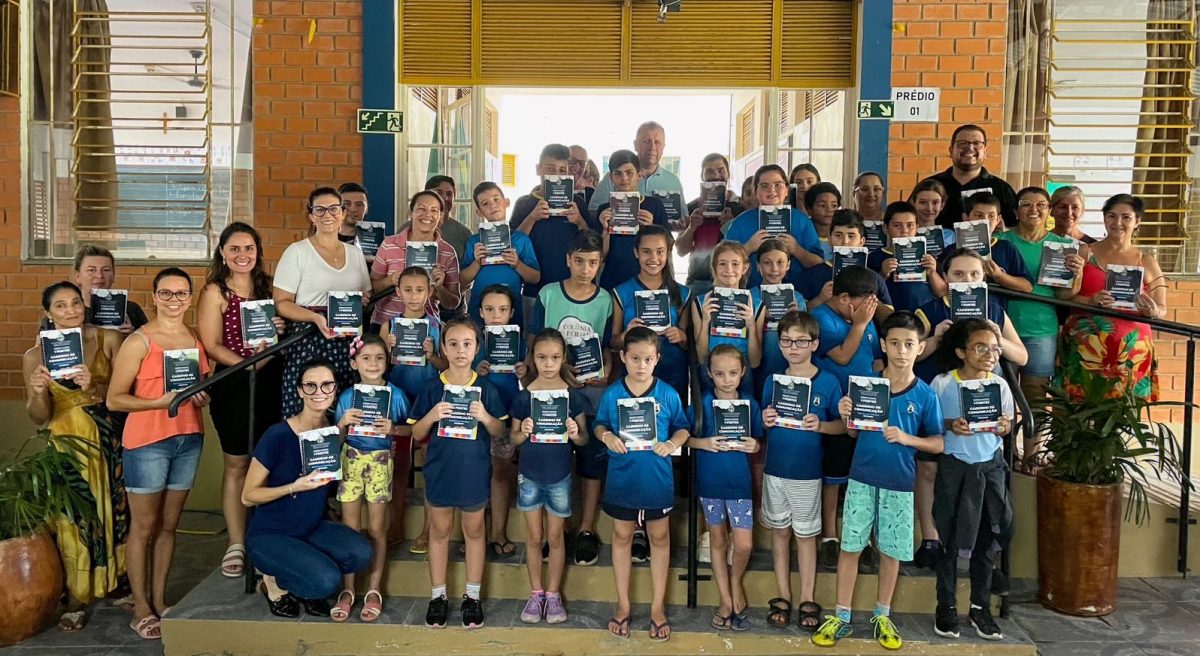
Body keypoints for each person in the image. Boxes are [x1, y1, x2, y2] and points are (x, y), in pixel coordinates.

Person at [813, 312, 944, 651]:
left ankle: (882, 615)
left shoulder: (925, 395)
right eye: (895, 343)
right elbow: (854, 434)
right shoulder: (866, 385)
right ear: (884, 345)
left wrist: (907, 438)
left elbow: (939, 443)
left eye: (909, 344)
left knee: (890, 551)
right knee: (850, 547)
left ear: (920, 348)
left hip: (899, 484)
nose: (902, 351)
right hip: (861, 479)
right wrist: (847, 416)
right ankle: (841, 616)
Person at [106, 268, 211, 640]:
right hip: (147, 442)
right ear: (154, 297)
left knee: (169, 525)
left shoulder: (194, 337)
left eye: (181, 293)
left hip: (188, 438)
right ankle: (140, 606)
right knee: (143, 527)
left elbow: (199, 386)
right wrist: (158, 403)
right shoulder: (139, 341)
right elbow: (114, 399)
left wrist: (202, 395)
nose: (174, 300)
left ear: (190, 298)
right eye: (166, 293)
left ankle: (160, 599)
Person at [24, 281, 127, 632]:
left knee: (115, 512)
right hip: (66, 445)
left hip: (107, 440)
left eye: (75, 303)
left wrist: (93, 386)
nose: (70, 310)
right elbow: (39, 416)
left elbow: (126, 393)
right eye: (60, 305)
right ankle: (77, 595)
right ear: (48, 313)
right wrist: (38, 391)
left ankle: (117, 582)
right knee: (73, 518)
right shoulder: (35, 355)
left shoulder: (108, 338)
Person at [241, 358, 372, 619]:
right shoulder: (278, 435)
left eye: (326, 385)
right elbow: (248, 496)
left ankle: (302, 574)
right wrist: (294, 486)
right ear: (300, 391)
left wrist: (343, 429)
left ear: (334, 389)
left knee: (360, 553)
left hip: (309, 527)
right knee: (325, 582)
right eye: (310, 386)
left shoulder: (329, 432)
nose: (319, 392)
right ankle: (273, 583)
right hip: (270, 533)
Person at [196, 222, 284, 580]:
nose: (242, 255)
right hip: (233, 383)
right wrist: (247, 365)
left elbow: (283, 325)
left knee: (269, 461)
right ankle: (236, 541)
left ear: (258, 251)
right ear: (222, 253)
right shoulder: (215, 291)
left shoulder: (269, 287)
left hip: (272, 382)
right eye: (234, 249)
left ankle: (266, 537)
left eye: (249, 248)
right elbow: (212, 344)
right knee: (237, 463)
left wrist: (279, 329)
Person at [408, 317, 510, 629]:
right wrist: (432, 415)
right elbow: (416, 433)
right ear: (443, 348)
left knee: (475, 531)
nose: (460, 350)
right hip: (440, 470)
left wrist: (486, 417)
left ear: (477, 348)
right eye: (453, 344)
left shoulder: (486, 389)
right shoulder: (431, 388)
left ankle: (473, 596)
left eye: (467, 344)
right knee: (439, 531)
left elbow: (500, 431)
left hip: (474, 471)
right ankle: (438, 595)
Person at [594, 326, 692, 642]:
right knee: (622, 537)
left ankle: (657, 607)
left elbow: (683, 427)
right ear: (623, 357)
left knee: (660, 538)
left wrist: (672, 443)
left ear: (657, 359)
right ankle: (623, 605)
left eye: (647, 359)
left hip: (657, 481)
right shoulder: (612, 394)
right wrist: (606, 437)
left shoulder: (668, 394)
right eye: (635, 358)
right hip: (622, 479)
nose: (641, 365)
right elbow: (599, 425)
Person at [528, 231, 614, 567]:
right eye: (579, 261)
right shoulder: (549, 294)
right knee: (555, 460)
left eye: (592, 263)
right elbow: (534, 342)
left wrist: (605, 371)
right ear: (568, 260)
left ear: (600, 264)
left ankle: (587, 528)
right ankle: (557, 530)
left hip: (591, 393)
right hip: (552, 393)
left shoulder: (605, 300)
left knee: (591, 459)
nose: (585, 269)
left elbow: (608, 347)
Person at [930, 319, 1015, 642]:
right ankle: (946, 606)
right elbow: (931, 422)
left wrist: (1003, 426)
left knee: (986, 541)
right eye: (981, 348)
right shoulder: (943, 384)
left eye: (995, 349)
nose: (990, 355)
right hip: (955, 467)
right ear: (961, 352)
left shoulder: (1000, 385)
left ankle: (981, 608)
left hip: (988, 469)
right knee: (949, 540)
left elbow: (1007, 425)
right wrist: (951, 424)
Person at [759, 311, 844, 632]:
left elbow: (844, 427)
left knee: (806, 537)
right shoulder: (772, 382)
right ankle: (783, 594)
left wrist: (821, 425)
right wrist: (765, 419)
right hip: (775, 470)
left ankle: (808, 596)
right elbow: (763, 425)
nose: (793, 347)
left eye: (800, 341)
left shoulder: (828, 382)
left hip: (807, 473)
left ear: (814, 344)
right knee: (780, 533)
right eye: (786, 341)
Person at [509, 329, 589, 624]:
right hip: (529, 474)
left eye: (554, 357)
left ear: (563, 358)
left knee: (555, 536)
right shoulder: (524, 397)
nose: (548, 364)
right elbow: (513, 439)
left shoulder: (572, 396)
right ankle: (536, 593)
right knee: (533, 537)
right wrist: (523, 432)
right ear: (533, 358)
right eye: (542, 357)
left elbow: (584, 440)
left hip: (560, 475)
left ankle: (553, 595)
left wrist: (575, 433)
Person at [330, 335, 410, 623]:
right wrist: (341, 425)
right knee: (350, 528)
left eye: (379, 358)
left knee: (377, 528)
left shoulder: (396, 395)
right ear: (354, 363)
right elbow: (336, 440)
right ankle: (348, 589)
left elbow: (412, 430)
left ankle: (374, 589)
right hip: (350, 459)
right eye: (366, 358)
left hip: (380, 462)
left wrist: (394, 429)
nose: (373, 364)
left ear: (388, 361)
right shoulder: (346, 397)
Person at [273, 187, 372, 417]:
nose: (327, 215)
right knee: (309, 406)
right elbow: (282, 303)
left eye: (333, 209)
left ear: (343, 213)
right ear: (311, 215)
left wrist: (363, 299)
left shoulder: (355, 253)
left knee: (344, 406)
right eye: (320, 209)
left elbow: (367, 296)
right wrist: (315, 318)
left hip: (346, 340)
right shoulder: (297, 252)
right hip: (308, 338)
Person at [1059, 194, 1167, 402]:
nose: (1118, 222)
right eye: (1112, 216)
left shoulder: (1147, 261)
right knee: (1077, 409)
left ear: (1137, 222)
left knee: (1123, 412)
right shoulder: (1084, 252)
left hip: (1132, 352)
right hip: (1085, 348)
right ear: (1104, 219)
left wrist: (1153, 311)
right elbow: (1062, 296)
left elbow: (1162, 307)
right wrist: (1090, 301)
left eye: (1126, 217)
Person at [810, 266, 883, 572]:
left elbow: (875, 359)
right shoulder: (822, 318)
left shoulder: (864, 317)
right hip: (835, 406)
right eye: (863, 303)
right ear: (843, 299)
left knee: (862, 475)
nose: (868, 309)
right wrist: (861, 323)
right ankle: (830, 536)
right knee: (833, 475)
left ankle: (862, 537)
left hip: (867, 408)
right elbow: (841, 356)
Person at [690, 345, 761, 632]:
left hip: (739, 484)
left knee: (744, 544)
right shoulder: (702, 404)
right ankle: (725, 598)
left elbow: (758, 439)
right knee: (717, 540)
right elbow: (682, 437)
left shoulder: (749, 404)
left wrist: (755, 445)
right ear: (709, 374)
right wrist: (702, 443)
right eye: (719, 374)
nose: (726, 379)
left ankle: (735, 584)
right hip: (710, 483)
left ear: (742, 372)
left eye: (732, 373)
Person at [997, 187, 1085, 411]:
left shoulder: (1062, 246)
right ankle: (1007, 437)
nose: (1033, 209)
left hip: (1041, 329)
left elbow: (1063, 295)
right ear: (1015, 211)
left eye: (1041, 205)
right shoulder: (999, 241)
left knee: (1035, 398)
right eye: (1026, 204)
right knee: (1000, 396)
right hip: (1002, 327)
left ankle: (1033, 438)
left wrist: (1077, 274)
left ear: (1049, 210)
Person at [380, 266, 447, 551]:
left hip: (427, 399)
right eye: (408, 290)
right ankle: (395, 525)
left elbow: (446, 366)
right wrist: (387, 350)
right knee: (398, 467)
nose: (414, 296)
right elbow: (378, 367)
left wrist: (432, 356)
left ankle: (427, 529)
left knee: (429, 464)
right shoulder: (389, 326)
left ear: (429, 292)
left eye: (420, 290)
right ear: (398, 291)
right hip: (398, 400)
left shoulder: (436, 326)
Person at [472, 285, 527, 558]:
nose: (496, 315)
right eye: (490, 309)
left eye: (503, 310)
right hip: (475, 415)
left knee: (501, 471)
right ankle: (474, 532)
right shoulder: (472, 342)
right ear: (481, 312)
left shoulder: (520, 343)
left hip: (507, 412)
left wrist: (524, 372)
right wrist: (476, 369)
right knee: (476, 470)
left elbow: (531, 381)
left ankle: (498, 531)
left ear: (512, 312)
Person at [510, 144, 596, 311]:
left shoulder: (577, 203)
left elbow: (591, 243)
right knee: (534, 327)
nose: (556, 175)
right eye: (550, 169)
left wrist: (579, 221)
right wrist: (532, 218)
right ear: (538, 169)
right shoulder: (524, 203)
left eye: (562, 170)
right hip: (534, 289)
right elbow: (513, 245)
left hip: (571, 288)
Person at [612, 225, 691, 400]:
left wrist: (681, 336)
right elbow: (614, 343)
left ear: (668, 253)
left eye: (660, 252)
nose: (653, 258)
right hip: (635, 373)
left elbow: (688, 344)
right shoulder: (621, 292)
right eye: (646, 252)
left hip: (673, 372)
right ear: (636, 252)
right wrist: (626, 334)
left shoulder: (683, 293)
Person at [371, 190, 463, 327]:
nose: (428, 215)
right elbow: (371, 287)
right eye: (421, 209)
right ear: (411, 212)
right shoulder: (389, 244)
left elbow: (453, 303)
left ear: (440, 217)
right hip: (385, 324)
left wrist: (439, 287)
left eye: (434, 210)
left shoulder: (447, 252)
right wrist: (389, 281)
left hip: (427, 327)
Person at [723, 165, 824, 288]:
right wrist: (748, 248)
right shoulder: (740, 223)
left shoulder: (801, 220)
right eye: (764, 185)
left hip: (797, 294)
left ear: (787, 190)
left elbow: (819, 264)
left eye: (778, 185)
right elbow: (722, 264)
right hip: (751, 294)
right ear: (756, 191)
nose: (771, 190)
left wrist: (797, 250)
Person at [461, 182, 541, 327]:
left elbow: (535, 277)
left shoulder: (521, 239)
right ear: (479, 212)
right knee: (478, 340)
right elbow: (462, 280)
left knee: (509, 341)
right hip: (479, 311)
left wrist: (517, 264)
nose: (492, 205)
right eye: (485, 203)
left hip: (511, 310)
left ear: (506, 202)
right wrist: (476, 263)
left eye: (496, 199)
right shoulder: (474, 242)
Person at [691, 241, 764, 397]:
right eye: (722, 264)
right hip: (711, 372)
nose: (729, 270)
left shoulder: (757, 306)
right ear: (714, 268)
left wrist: (751, 325)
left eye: (735, 264)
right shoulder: (700, 303)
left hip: (743, 374)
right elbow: (702, 358)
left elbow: (755, 362)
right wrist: (705, 321)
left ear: (745, 268)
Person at [796, 210, 895, 321]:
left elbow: (889, 319)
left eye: (851, 236)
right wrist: (820, 299)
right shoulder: (812, 275)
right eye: (838, 235)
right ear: (829, 239)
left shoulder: (873, 277)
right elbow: (798, 317)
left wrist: (870, 298)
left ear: (861, 241)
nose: (845, 241)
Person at [939, 192, 1033, 307]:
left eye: (991, 216)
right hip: (955, 311)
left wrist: (999, 276)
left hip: (994, 313)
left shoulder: (1006, 248)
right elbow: (938, 287)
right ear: (965, 217)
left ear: (998, 220)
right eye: (978, 215)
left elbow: (1027, 286)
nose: (985, 220)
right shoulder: (952, 250)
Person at [595, 150, 670, 290]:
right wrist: (605, 231)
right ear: (611, 178)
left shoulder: (654, 205)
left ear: (639, 175)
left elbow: (668, 247)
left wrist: (652, 227)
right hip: (613, 279)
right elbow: (599, 257)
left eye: (629, 173)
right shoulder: (604, 210)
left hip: (649, 279)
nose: (624, 178)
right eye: (618, 173)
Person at [924, 124, 1019, 229]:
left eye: (977, 143)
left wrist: (1003, 232)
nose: (970, 148)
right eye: (962, 143)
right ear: (951, 151)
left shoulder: (1002, 189)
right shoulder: (929, 186)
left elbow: (1016, 228)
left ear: (985, 152)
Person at [677, 153, 743, 297]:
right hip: (698, 282)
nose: (716, 175)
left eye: (720, 170)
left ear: (728, 174)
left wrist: (731, 226)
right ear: (702, 176)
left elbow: (746, 250)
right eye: (710, 171)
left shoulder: (740, 207)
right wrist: (691, 228)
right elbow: (681, 251)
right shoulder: (692, 208)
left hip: (732, 281)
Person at [587, 121, 684, 215]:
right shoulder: (612, 178)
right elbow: (593, 211)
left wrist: (682, 223)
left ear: (663, 147)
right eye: (647, 141)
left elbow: (683, 216)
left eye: (657, 142)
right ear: (635, 145)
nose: (652, 147)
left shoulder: (673, 181)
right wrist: (609, 218)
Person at [55, 244, 149, 334]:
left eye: (106, 270)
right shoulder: (63, 311)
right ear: (77, 276)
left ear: (113, 276)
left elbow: (150, 341)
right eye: (91, 270)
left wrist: (134, 336)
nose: (99, 275)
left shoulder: (131, 309)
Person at [752, 239, 807, 394]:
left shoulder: (797, 299)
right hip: (755, 368)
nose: (774, 269)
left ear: (788, 265)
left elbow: (806, 338)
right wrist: (758, 318)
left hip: (787, 369)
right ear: (758, 266)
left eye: (780, 262)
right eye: (767, 262)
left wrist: (796, 319)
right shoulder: (749, 297)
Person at [866, 201, 941, 312]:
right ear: (885, 228)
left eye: (910, 225)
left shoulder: (927, 257)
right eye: (897, 226)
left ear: (917, 228)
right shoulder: (874, 258)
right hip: (891, 316)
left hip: (923, 317)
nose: (904, 231)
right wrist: (882, 274)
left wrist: (932, 273)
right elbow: (867, 294)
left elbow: (941, 293)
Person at [422, 175, 473, 261]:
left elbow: (472, 266)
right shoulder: (407, 229)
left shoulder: (464, 234)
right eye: (439, 192)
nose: (445, 198)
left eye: (449, 194)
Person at [908, 179, 956, 254]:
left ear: (942, 205)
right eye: (923, 202)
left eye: (935, 202)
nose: (929, 208)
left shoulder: (949, 235)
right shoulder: (904, 233)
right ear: (913, 203)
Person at [805, 182, 841, 260]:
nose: (829, 210)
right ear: (809, 209)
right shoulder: (803, 235)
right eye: (822, 205)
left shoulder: (844, 235)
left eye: (834, 206)